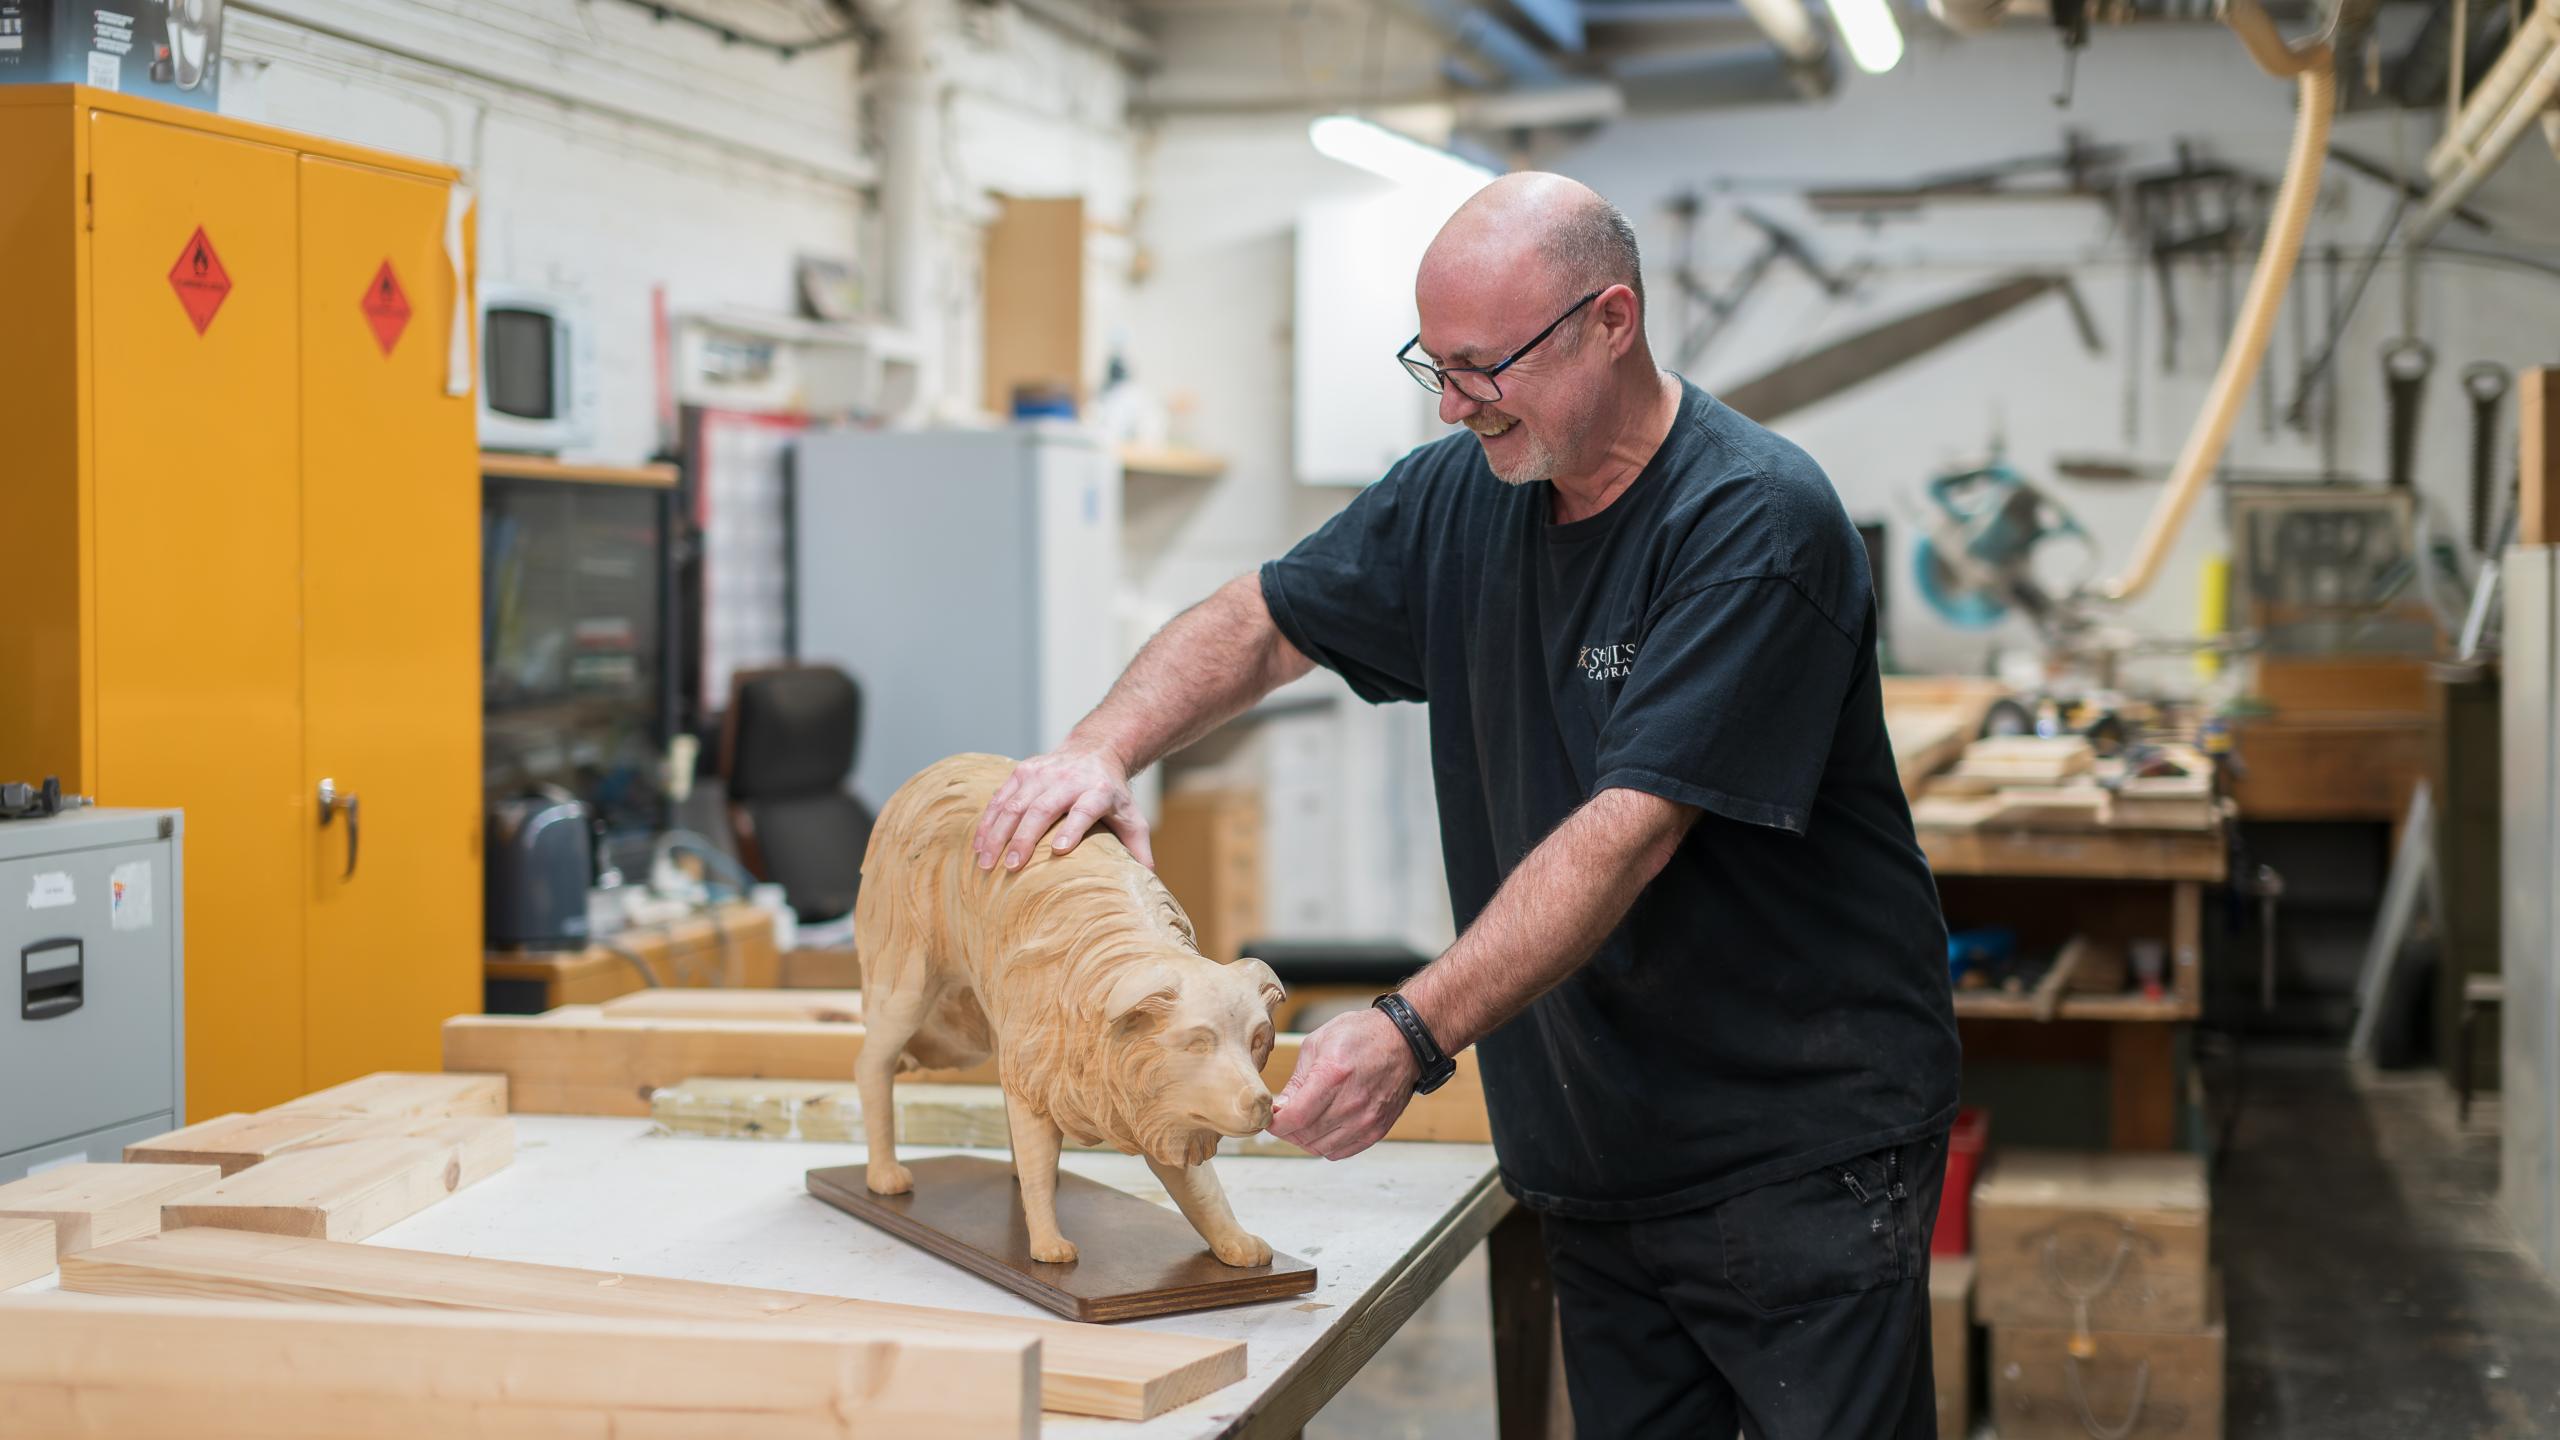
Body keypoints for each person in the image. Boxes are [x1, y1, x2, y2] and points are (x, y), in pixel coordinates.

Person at [970, 171, 1961, 1438]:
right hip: (1597, 1138)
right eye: (1434, 366)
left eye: (1484, 365)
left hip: (1794, 1145)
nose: (1452, 403)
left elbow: (1626, 837)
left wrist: (1410, 1031)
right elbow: (1266, 619)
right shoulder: (1460, 494)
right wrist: (1100, 748)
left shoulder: (1752, 523)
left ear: (1610, 323)